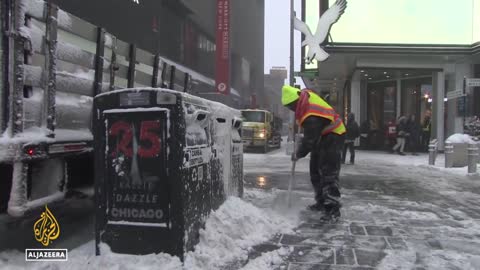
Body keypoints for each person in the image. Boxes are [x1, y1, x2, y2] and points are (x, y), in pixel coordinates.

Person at [281, 85, 346, 220]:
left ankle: (332, 209)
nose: (291, 110)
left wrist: (298, 154)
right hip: (322, 136)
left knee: (328, 173)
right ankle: (321, 202)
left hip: (333, 135)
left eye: (291, 107)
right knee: (315, 171)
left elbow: (310, 140)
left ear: (295, 102)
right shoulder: (305, 98)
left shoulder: (310, 115)